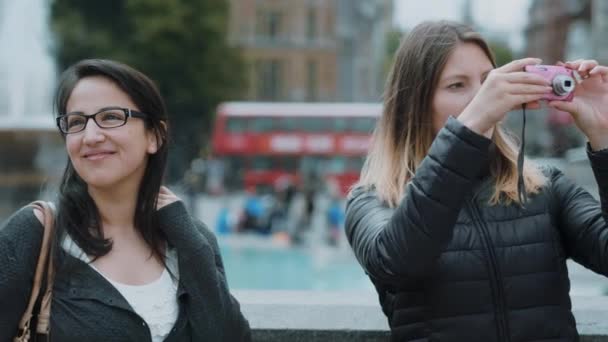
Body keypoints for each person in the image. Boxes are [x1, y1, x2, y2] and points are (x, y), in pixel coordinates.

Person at [345, 20, 608, 341]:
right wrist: (471, 125)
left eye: (488, 82)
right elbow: (398, 264)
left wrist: (603, 135)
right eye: (457, 85)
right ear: (416, 103)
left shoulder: (543, 185)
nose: (483, 97)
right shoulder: (372, 200)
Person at [0, 59, 251, 341]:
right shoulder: (35, 232)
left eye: (110, 117)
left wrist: (185, 234)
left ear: (155, 136)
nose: (91, 136)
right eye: (77, 122)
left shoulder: (190, 238)